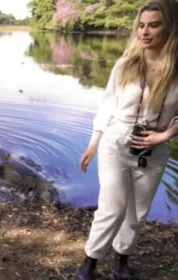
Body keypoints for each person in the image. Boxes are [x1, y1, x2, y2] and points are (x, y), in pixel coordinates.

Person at [75, 0, 178, 279]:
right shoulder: (125, 64)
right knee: (112, 206)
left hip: (154, 153)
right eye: (141, 25)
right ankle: (89, 263)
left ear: (170, 27)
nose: (144, 32)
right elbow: (107, 105)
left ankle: (121, 261)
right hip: (115, 145)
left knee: (138, 211)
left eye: (154, 25)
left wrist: (166, 134)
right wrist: (93, 142)